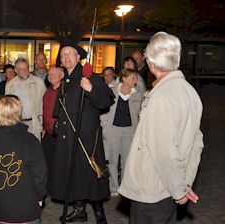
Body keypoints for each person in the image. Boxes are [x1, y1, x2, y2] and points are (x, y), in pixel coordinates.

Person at [118, 31, 204, 224]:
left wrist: (179, 189)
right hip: (169, 188)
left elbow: (164, 151)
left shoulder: (161, 97)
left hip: (151, 190)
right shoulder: (191, 93)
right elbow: (196, 143)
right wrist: (184, 182)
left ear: (151, 64)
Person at [52, 38, 114, 223]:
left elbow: (105, 101)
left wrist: (90, 89)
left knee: (91, 177)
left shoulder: (90, 77)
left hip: (86, 138)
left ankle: (100, 214)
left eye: (70, 53)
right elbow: (60, 110)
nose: (66, 57)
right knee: (74, 175)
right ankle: (79, 210)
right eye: (63, 55)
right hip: (68, 138)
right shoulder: (65, 82)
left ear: (78, 57)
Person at [0, 95, 47, 224]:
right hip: (25, 207)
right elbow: (40, 174)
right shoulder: (30, 140)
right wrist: (40, 196)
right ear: (18, 113)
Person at [100, 68, 143, 197]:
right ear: (124, 78)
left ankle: (124, 187)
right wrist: (105, 126)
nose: (135, 81)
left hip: (129, 130)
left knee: (126, 161)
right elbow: (104, 111)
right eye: (132, 78)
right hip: (114, 129)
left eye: (135, 78)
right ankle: (114, 187)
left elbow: (140, 114)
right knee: (112, 161)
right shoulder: (112, 92)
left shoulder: (137, 94)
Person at [6, 58, 46, 141]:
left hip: (34, 124)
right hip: (16, 124)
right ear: (16, 70)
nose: (24, 71)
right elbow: (7, 107)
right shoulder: (10, 85)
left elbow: (45, 105)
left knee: (34, 151)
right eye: (21, 69)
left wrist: (44, 125)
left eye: (26, 68)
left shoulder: (38, 83)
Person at [42, 66, 64, 195]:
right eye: (50, 74)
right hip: (48, 133)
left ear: (62, 75)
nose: (52, 76)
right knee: (47, 163)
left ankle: (59, 190)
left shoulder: (65, 91)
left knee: (59, 164)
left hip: (60, 134)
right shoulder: (48, 90)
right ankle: (49, 189)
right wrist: (44, 128)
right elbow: (45, 111)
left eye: (55, 73)